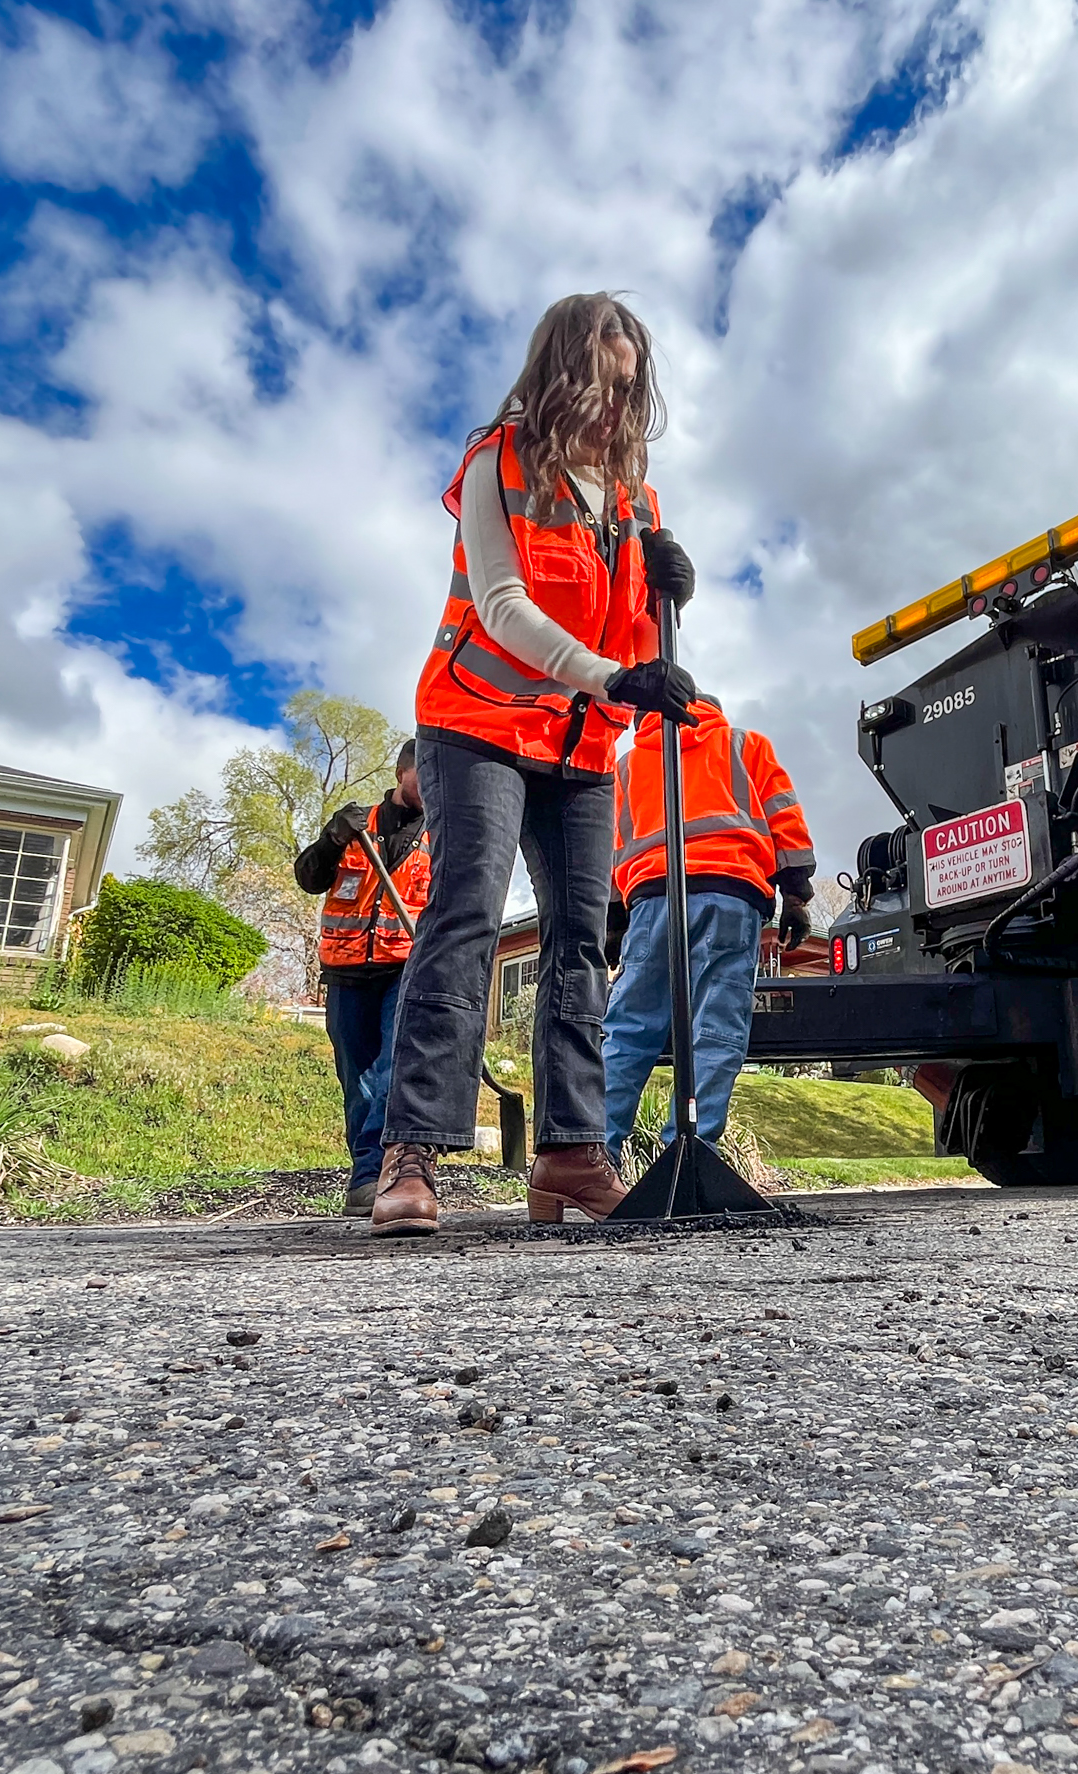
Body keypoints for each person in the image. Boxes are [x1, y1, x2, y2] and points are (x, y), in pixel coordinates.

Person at [370, 292, 703, 1237]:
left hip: (580, 744)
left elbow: (632, 637)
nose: (616, 403)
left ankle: (569, 1154)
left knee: (583, 938)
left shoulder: (637, 501)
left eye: (629, 386)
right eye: (602, 380)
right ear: (561, 372)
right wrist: (614, 678)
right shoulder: (499, 461)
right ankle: (412, 1151)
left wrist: (670, 609)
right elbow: (504, 603)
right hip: (477, 722)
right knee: (467, 912)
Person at [601, 696, 815, 1156]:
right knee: (715, 1027)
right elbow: (785, 819)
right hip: (730, 894)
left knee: (629, 1029)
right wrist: (795, 895)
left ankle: (596, 1155)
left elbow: (611, 850)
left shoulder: (626, 767)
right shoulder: (745, 745)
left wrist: (614, 925)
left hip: (651, 900)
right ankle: (691, 1155)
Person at [293, 741, 428, 1219]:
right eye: (423, 774)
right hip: (347, 971)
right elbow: (309, 878)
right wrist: (331, 838)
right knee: (357, 1078)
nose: (432, 785)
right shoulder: (355, 826)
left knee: (391, 1069)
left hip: (404, 968)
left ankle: (375, 1175)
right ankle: (366, 1174)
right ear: (400, 773)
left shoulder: (441, 834)